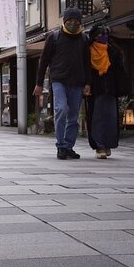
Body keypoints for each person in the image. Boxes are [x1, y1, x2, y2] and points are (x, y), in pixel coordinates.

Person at [33, 8, 91, 160]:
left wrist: (88, 83)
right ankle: (60, 145)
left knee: (73, 116)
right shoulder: (54, 37)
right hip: (58, 81)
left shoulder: (84, 39)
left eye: (76, 22)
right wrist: (39, 84)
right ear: (64, 22)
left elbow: (87, 63)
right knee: (61, 109)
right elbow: (43, 62)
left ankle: (68, 147)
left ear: (80, 23)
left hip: (78, 83)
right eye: (69, 21)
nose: (73, 24)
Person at [85, 24, 126, 159]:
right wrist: (86, 85)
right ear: (94, 36)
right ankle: (99, 146)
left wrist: (121, 88)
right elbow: (86, 71)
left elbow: (120, 71)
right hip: (96, 89)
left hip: (110, 89)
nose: (104, 37)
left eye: (106, 34)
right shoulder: (88, 51)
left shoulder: (113, 50)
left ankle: (108, 144)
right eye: (100, 34)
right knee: (97, 118)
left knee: (111, 118)